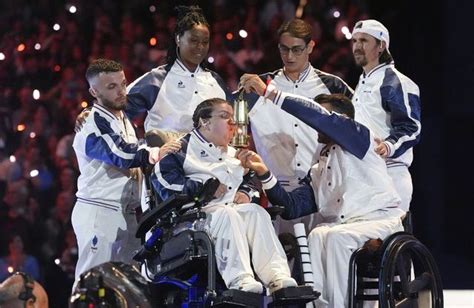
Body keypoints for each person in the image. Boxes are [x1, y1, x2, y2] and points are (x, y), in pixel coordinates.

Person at [237, 90, 404, 307]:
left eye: (324, 118)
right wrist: (263, 172)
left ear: (341, 121)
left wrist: (270, 93)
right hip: (346, 227)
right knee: (317, 235)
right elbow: (291, 207)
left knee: (336, 237)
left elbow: (319, 117)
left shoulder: (360, 138)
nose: (315, 124)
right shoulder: (319, 167)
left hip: (379, 221)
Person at [151, 98, 297, 294]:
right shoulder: (180, 149)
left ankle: (277, 278)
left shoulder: (235, 154)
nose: (233, 123)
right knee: (227, 214)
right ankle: (240, 280)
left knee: (255, 212)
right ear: (205, 122)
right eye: (224, 117)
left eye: (233, 118)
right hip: (190, 218)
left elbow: (251, 184)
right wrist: (206, 188)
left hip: (229, 213)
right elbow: (164, 183)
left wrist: (246, 193)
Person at [239, 18, 353, 233]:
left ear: (310, 47)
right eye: (284, 49)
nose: (290, 56)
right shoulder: (256, 87)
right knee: (284, 263)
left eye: (297, 50)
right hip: (276, 193)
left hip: (325, 190)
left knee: (325, 260)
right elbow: (223, 121)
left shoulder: (334, 86)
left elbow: (356, 132)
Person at [71, 59, 172, 283]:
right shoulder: (92, 125)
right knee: (92, 282)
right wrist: (156, 152)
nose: (121, 91)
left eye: (123, 84)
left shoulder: (121, 117)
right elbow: (123, 155)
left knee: (129, 284)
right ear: (93, 91)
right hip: (99, 209)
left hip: (126, 212)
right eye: (111, 87)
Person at [126, 5, 231, 134]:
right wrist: (136, 146)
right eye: (194, 40)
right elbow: (116, 112)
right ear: (178, 39)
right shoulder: (156, 80)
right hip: (167, 153)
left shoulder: (215, 80)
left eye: (205, 42)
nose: (200, 47)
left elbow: (233, 120)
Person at [351, 19, 421, 211]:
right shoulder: (362, 82)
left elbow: (412, 128)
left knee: (390, 239)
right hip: (365, 175)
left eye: (364, 41)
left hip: (390, 175)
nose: (357, 46)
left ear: (381, 45)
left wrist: (389, 146)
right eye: (354, 41)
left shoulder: (396, 82)